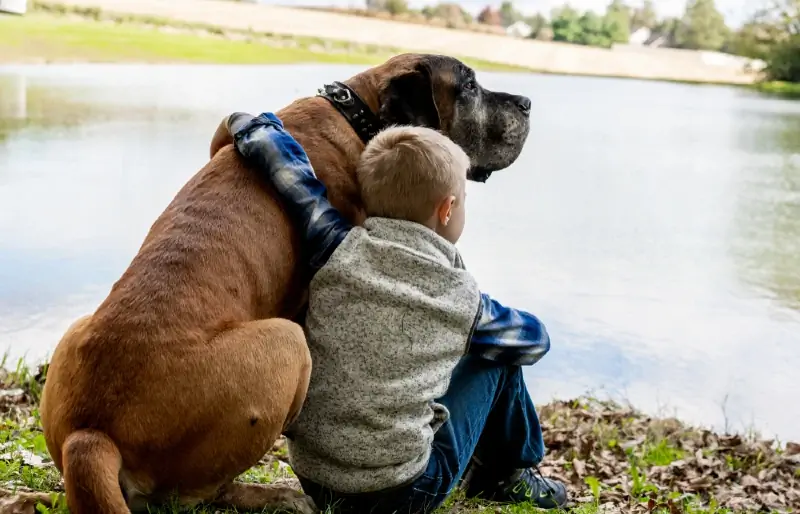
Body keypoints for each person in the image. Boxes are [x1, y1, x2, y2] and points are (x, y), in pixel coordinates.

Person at [225, 111, 568, 514]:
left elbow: (296, 182)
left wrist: (255, 128)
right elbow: (534, 341)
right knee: (497, 361)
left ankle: (503, 472)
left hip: (316, 478)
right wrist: (471, 321)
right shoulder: (460, 301)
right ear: (447, 209)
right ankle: (512, 476)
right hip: (404, 494)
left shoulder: (336, 246)